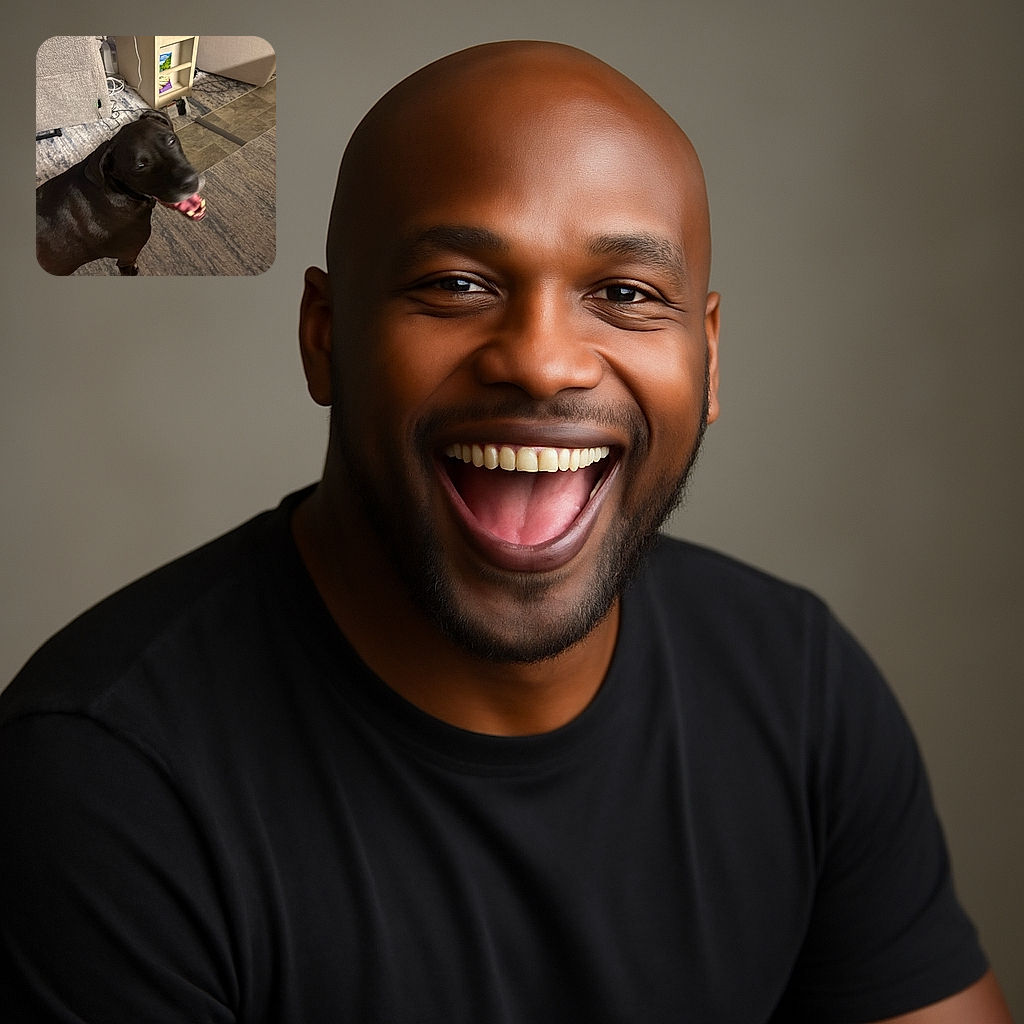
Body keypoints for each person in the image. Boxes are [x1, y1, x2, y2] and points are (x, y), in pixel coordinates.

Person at [0, 40, 1012, 1023]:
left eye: (623, 295)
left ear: (707, 361)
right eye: (456, 284)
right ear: (324, 337)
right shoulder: (102, 785)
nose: (540, 361)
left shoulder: (799, 690)